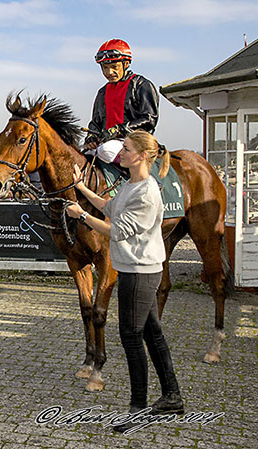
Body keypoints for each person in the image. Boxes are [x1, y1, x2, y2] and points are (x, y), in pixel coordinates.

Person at [66, 130, 184, 432]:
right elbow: (109, 207)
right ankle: (172, 396)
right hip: (137, 268)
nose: (121, 153)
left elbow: (117, 230)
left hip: (140, 271)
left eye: (127, 149)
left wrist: (81, 216)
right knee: (152, 334)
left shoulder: (146, 191)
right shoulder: (132, 185)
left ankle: (137, 409)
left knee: (132, 337)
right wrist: (80, 187)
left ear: (142, 155)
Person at [86, 39, 159, 165]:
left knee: (105, 150)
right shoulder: (102, 92)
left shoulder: (142, 85)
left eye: (114, 67)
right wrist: (91, 136)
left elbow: (149, 119)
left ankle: (134, 180)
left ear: (126, 64)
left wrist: (119, 130)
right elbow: (95, 122)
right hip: (108, 142)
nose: (109, 72)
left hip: (135, 142)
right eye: (105, 68)